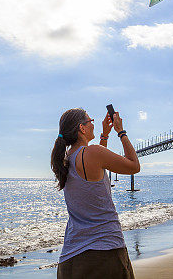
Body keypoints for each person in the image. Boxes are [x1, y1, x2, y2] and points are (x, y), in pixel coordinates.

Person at [51, 108, 140, 279]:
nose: (93, 123)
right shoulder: (92, 153)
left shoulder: (66, 160)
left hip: (70, 260)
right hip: (104, 254)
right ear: (82, 128)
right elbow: (134, 166)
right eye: (90, 121)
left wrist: (104, 136)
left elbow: (97, 169)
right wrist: (120, 131)